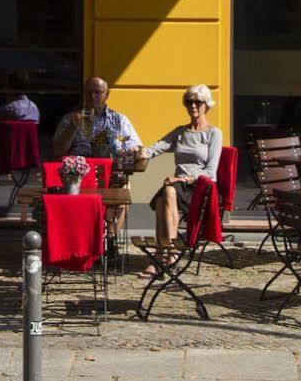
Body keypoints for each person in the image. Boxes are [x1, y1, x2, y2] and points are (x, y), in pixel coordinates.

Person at [139, 83, 225, 252]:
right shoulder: (181, 132)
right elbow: (157, 147)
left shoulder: (214, 133)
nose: (193, 106)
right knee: (161, 199)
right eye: (188, 102)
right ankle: (164, 253)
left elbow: (210, 172)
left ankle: (169, 251)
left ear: (206, 105)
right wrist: (140, 152)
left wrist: (181, 179)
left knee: (168, 192)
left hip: (200, 187)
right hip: (179, 186)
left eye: (198, 102)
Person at [49, 76, 143, 160]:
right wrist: (72, 127)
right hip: (80, 171)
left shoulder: (119, 119)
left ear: (107, 95)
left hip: (111, 169)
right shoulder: (70, 119)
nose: (92, 96)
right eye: (88, 92)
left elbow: (135, 146)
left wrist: (133, 149)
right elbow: (58, 151)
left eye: (97, 92)